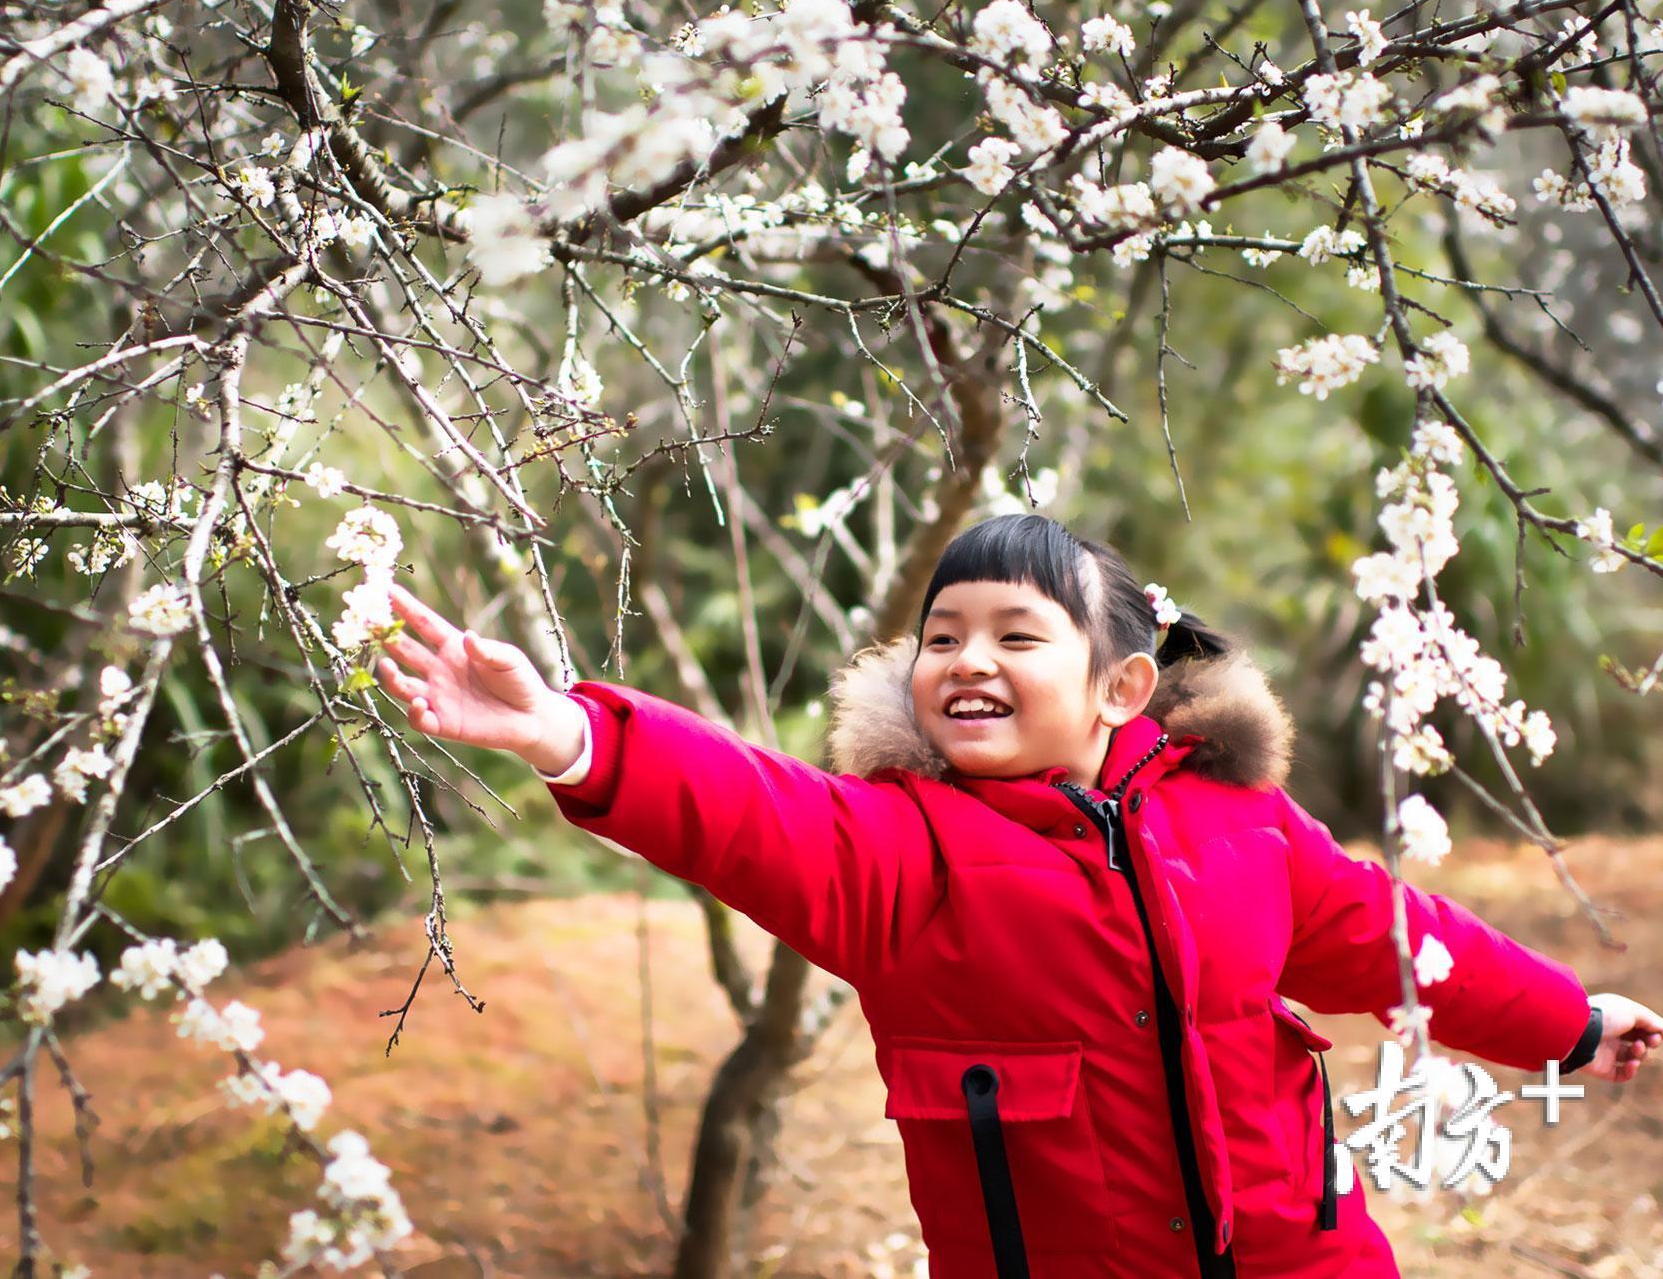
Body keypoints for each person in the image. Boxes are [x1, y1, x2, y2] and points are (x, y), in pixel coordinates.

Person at [376, 513, 1661, 1279]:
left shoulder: (1242, 824)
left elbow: (1398, 940)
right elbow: (746, 813)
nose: (965, 659)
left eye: (1015, 634)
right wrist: (568, 737)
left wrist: (1565, 1021)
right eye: (941, 636)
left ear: (1118, 687)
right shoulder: (900, 852)